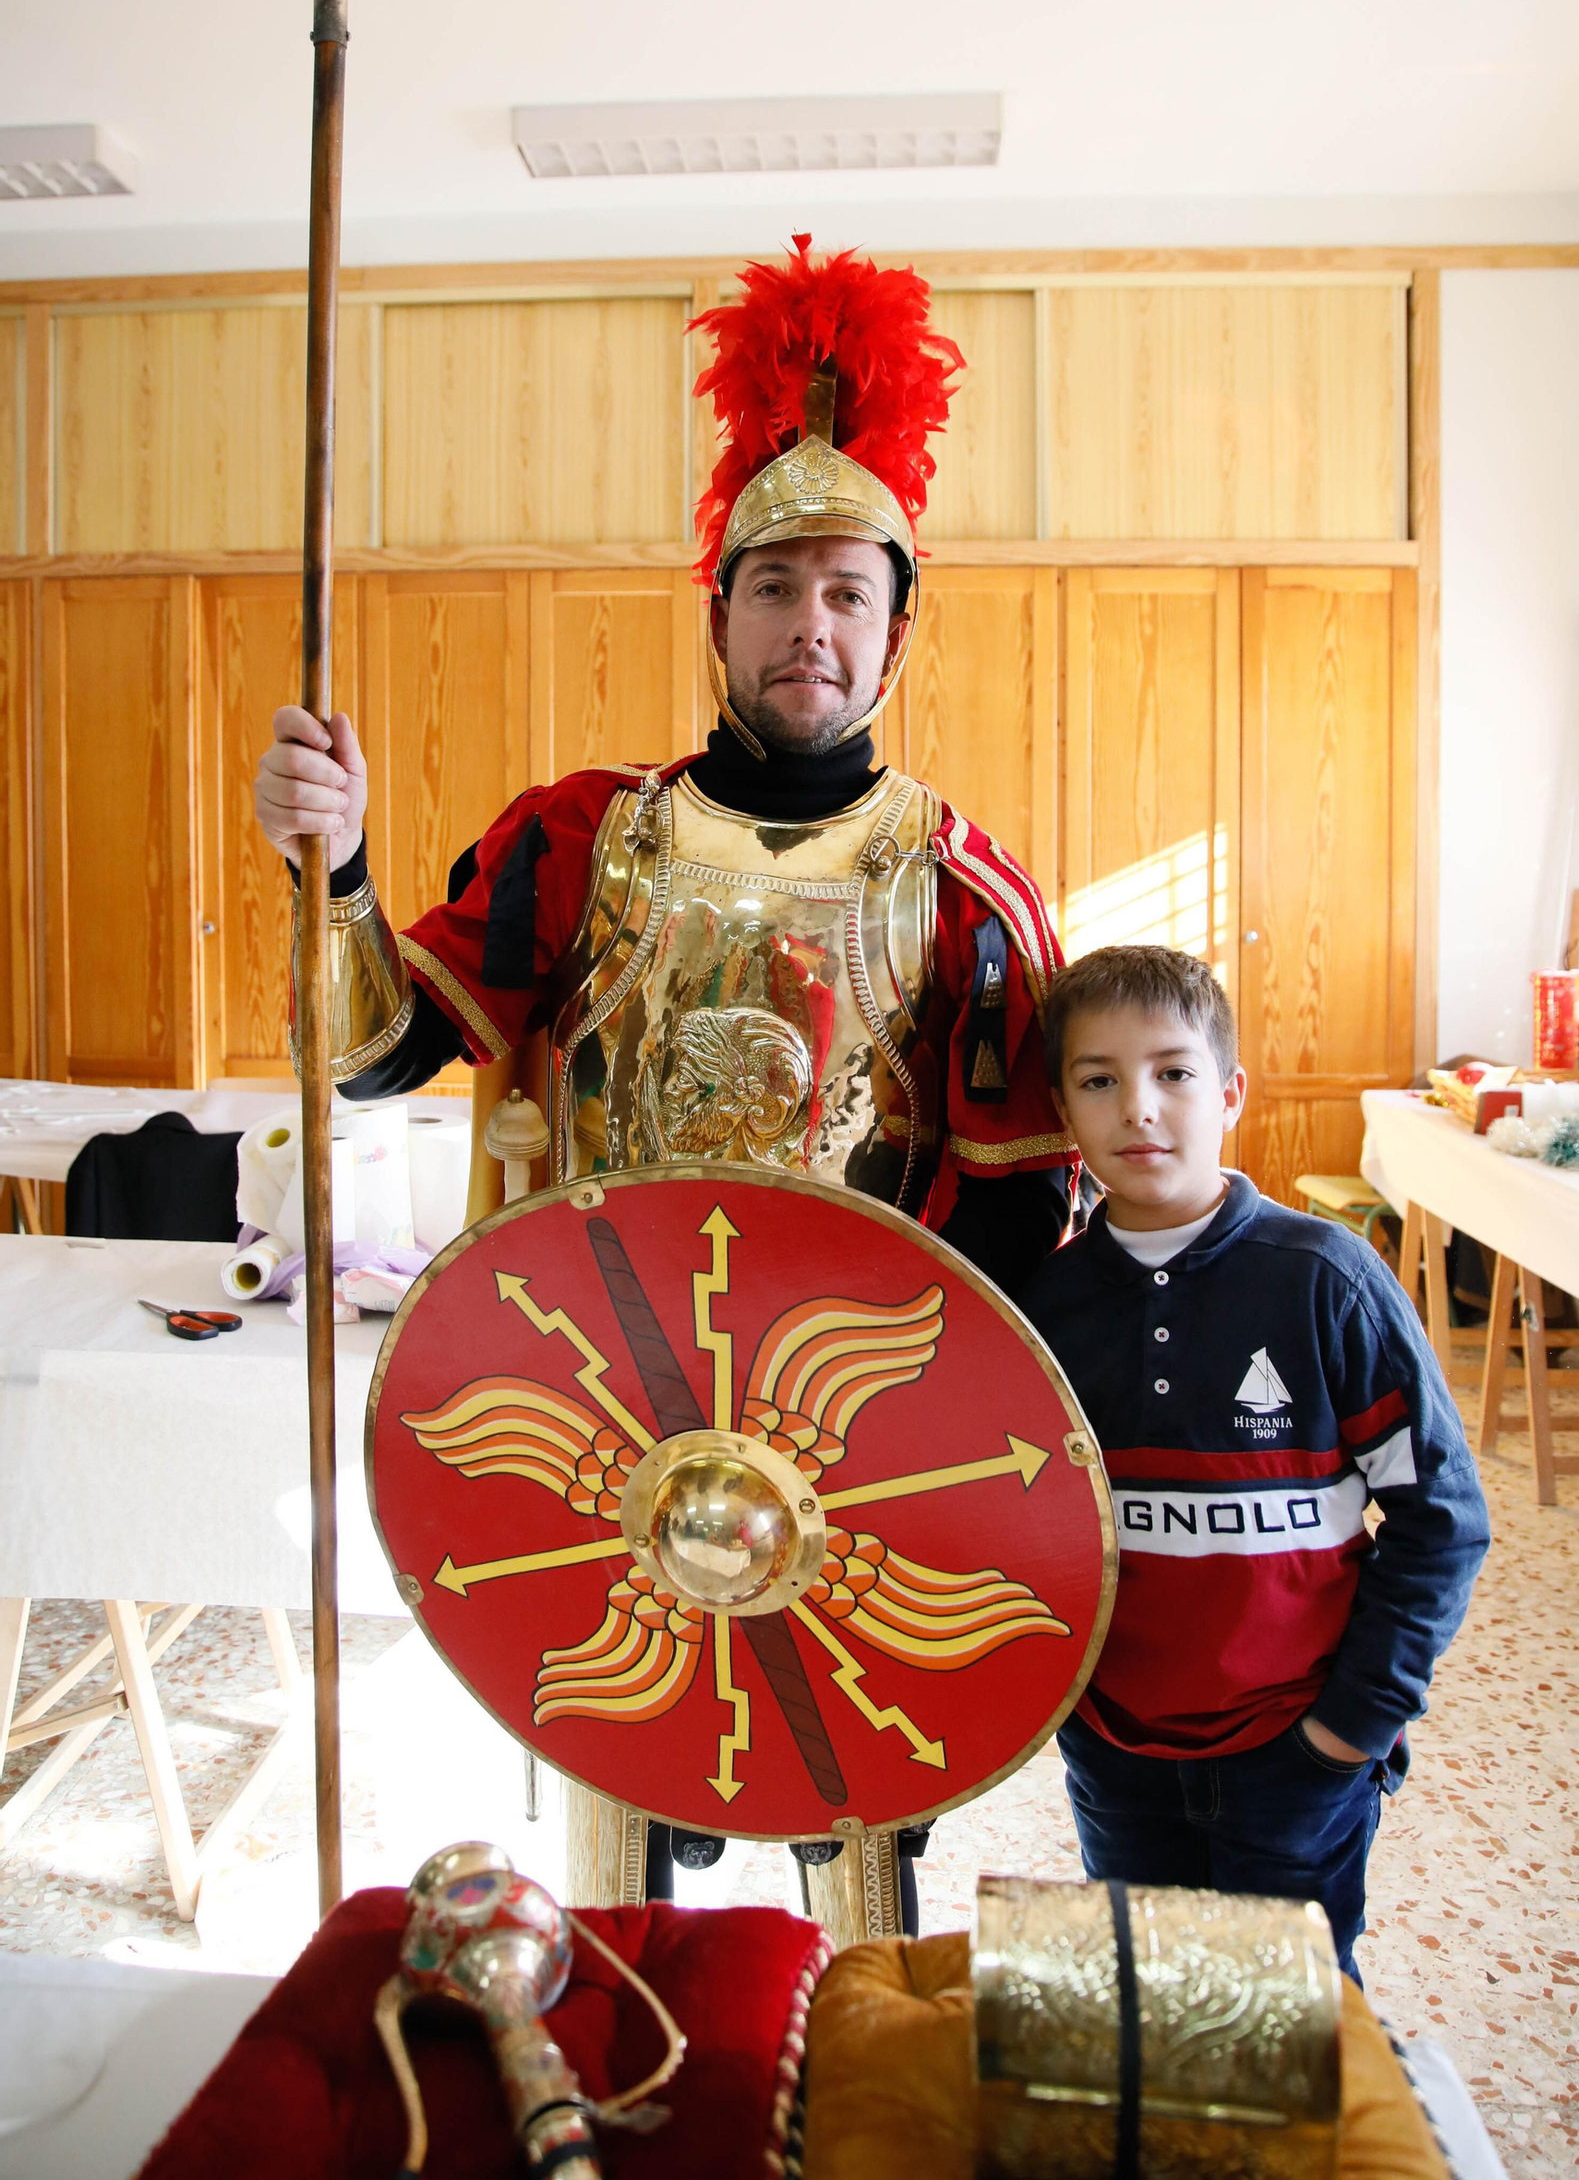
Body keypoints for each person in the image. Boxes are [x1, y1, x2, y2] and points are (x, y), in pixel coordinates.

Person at [255, 235, 1072, 1921]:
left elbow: (1016, 1231)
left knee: (853, 1851)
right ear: (718, 611)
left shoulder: (963, 888)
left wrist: (936, 1487)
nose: (810, 625)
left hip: (856, 1457)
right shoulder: (583, 842)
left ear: (899, 633)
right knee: (615, 1837)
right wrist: (329, 872)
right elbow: (374, 1052)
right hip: (601, 1420)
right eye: (776, 586)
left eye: (850, 591)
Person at [1020, 943, 1490, 1979]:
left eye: (1173, 1073)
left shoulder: (1325, 1280)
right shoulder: (1043, 1309)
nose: (1139, 1107)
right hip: (1118, 1757)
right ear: (1064, 1109)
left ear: (1229, 1092)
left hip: (1296, 1755)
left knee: (1291, 2018)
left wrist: (1349, 1729)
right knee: (1154, 2004)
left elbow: (1441, 1520)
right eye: (1100, 1080)